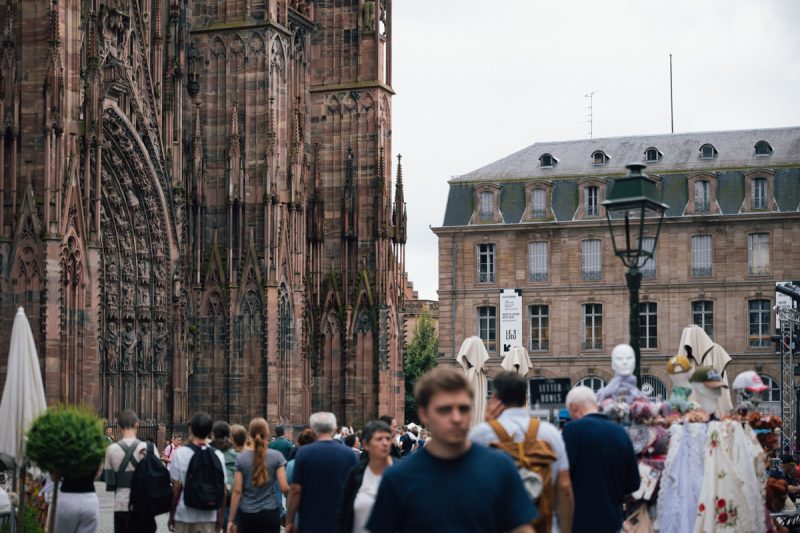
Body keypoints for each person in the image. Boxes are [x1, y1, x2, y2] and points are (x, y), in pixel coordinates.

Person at [366, 366, 537, 533]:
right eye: (445, 410)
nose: (456, 418)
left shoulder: (500, 467)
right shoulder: (398, 477)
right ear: (424, 414)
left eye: (463, 409)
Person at [469, 371, 573, 533]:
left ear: (496, 398)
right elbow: (565, 488)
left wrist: (486, 423)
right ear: (525, 398)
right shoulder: (551, 433)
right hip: (543, 525)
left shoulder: (481, 434)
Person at [562, 386, 640, 533]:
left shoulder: (571, 431)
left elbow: (562, 481)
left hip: (579, 523)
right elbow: (633, 483)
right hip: (613, 522)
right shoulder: (620, 433)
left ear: (573, 407)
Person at [286, 412, 359, 533]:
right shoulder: (349, 454)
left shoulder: (304, 453)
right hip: (340, 520)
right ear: (335, 429)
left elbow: (295, 490)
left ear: (313, 430)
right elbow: (357, 489)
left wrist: (290, 520)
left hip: (311, 520)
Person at [227, 418, 289, 533]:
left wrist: (231, 520)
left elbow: (237, 491)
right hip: (270, 512)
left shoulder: (242, 458)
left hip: (247, 513)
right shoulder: (277, 457)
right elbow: (284, 487)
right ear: (267, 433)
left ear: (249, 434)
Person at [168, 413, 227, 533]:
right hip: (208, 515)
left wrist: (172, 514)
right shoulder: (218, 455)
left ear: (190, 429)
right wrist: (220, 518)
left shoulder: (181, 453)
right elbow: (223, 489)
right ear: (210, 431)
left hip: (184, 513)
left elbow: (176, 487)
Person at [338, 420, 394, 533]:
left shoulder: (401, 473)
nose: (385, 443)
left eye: (388, 438)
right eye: (379, 439)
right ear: (365, 444)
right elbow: (343, 514)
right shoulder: (356, 473)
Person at [103, 409, 149, 533]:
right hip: (143, 506)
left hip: (121, 505)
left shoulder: (111, 450)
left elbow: (110, 482)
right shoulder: (149, 449)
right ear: (137, 424)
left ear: (118, 426)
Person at [212, 420, 238, 526]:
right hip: (231, 499)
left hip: (211, 499)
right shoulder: (236, 455)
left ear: (213, 435)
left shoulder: (209, 452)